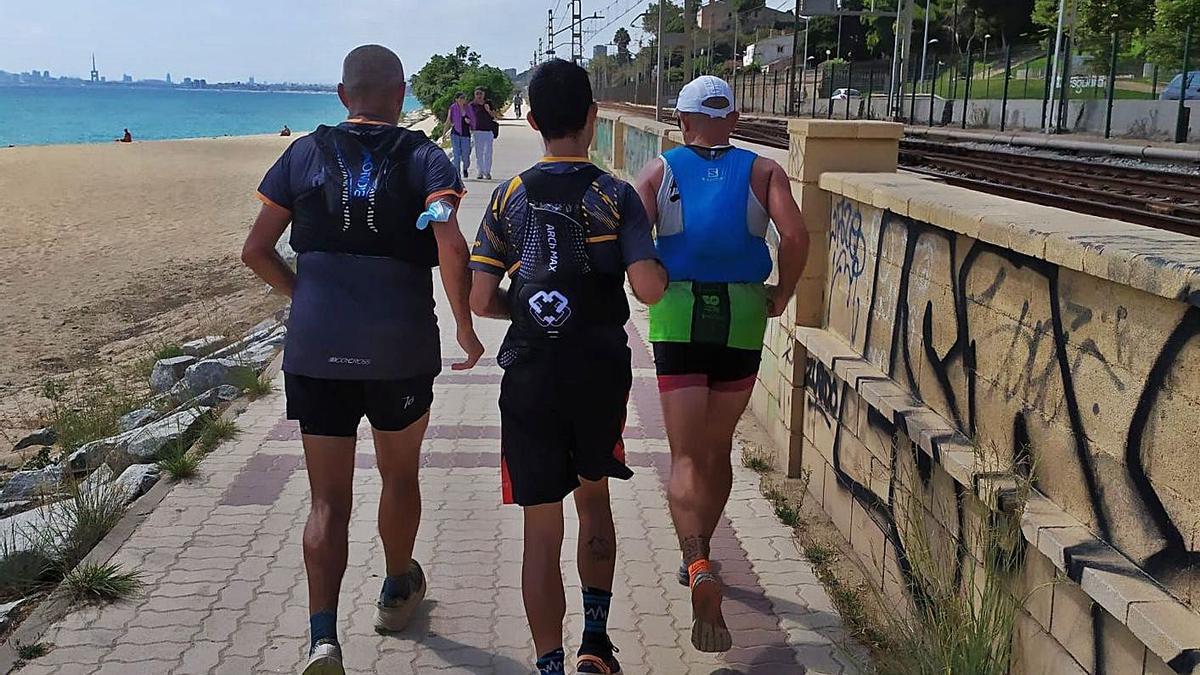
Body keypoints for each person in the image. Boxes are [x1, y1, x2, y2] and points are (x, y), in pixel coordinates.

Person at [241, 44, 484, 675]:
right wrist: (464, 326)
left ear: (344, 94)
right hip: (398, 348)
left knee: (328, 501)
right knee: (400, 478)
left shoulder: (304, 154)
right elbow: (449, 240)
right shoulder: (424, 157)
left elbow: (256, 250)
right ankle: (397, 587)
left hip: (317, 349)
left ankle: (323, 639)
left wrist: (307, 296)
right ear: (401, 94)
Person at [469, 59, 668, 675]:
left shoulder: (508, 196)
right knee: (594, 503)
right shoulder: (617, 196)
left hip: (529, 376)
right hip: (597, 375)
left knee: (540, 531)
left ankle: (548, 663)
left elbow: (479, 299)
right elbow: (648, 289)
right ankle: (597, 643)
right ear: (592, 118)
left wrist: (530, 317)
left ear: (530, 120)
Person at [633, 75, 810, 653]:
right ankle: (704, 541)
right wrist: (782, 291)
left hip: (679, 312)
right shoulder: (763, 171)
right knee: (717, 449)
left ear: (682, 123)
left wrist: (644, 282)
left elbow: (627, 230)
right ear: (734, 120)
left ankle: (697, 560)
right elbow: (797, 233)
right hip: (741, 313)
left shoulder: (662, 170)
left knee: (684, 454)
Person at [446, 92, 475, 179]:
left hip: (466, 134)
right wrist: (444, 133)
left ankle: (465, 168)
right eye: (461, 98)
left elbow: (473, 119)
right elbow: (448, 120)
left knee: (466, 155)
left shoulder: (468, 108)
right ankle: (457, 174)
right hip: (455, 133)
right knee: (456, 154)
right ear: (456, 99)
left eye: (464, 98)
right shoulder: (453, 108)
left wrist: (470, 122)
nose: (463, 99)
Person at [469, 87, 497, 180]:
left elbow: (494, 116)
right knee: (479, 152)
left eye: (480, 93)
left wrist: (488, 110)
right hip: (477, 131)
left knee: (488, 152)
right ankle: (480, 172)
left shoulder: (488, 103)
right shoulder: (472, 105)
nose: (479, 96)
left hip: (488, 131)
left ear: (484, 94)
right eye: (477, 94)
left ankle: (487, 172)